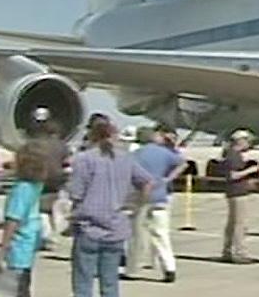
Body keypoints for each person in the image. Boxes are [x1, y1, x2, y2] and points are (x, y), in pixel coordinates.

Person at [68, 114, 153, 297]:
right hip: (116, 226)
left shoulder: (84, 159)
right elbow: (147, 182)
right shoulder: (125, 158)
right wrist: (137, 205)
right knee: (110, 282)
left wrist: (71, 218)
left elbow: (76, 193)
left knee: (83, 281)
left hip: (89, 226)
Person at [124, 126, 187, 282]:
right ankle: (169, 267)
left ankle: (132, 269)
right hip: (160, 196)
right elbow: (183, 163)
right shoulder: (164, 153)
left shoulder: (135, 155)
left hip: (142, 197)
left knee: (136, 236)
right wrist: (168, 178)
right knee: (161, 234)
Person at [0, 145, 48, 297]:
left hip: (19, 244)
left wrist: (2, 250)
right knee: (23, 286)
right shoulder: (36, 185)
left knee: (15, 290)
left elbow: (13, 220)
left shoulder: (21, 189)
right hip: (30, 241)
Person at [24, 110, 70, 250]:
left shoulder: (32, 144)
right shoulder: (61, 145)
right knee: (53, 208)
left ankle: (45, 236)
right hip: (57, 179)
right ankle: (53, 235)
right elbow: (67, 162)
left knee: (40, 209)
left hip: (38, 178)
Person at [220, 129, 259, 264]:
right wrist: (253, 169)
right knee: (240, 224)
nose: (249, 144)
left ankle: (228, 250)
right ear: (241, 141)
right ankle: (239, 252)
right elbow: (233, 175)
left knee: (232, 223)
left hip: (234, 192)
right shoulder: (234, 156)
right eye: (248, 141)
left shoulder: (231, 154)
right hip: (238, 192)